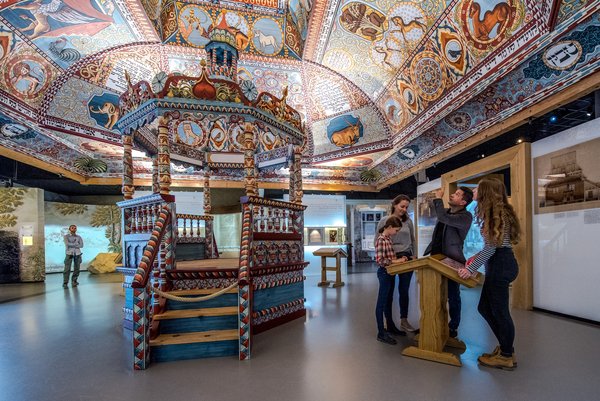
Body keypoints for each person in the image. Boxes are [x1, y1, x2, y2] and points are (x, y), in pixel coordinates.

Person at [458, 178, 521, 371]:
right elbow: (492, 246)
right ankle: (505, 348)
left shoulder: (497, 214)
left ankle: (506, 355)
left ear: (486, 192)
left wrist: (470, 269)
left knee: (500, 312)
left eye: (477, 189)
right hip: (499, 263)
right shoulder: (497, 212)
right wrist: (476, 258)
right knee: (485, 307)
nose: (474, 191)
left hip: (501, 265)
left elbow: (492, 248)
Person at [424, 186, 474, 339]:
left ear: (463, 202)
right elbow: (440, 216)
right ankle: (432, 324)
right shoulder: (447, 212)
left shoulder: (465, 217)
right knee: (434, 293)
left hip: (453, 260)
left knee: (453, 295)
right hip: (436, 258)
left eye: (457, 194)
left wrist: (438, 198)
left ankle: (453, 327)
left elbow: (443, 218)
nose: (452, 195)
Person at [376, 194, 417, 333]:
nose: (404, 209)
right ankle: (389, 322)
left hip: (406, 257)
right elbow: (378, 239)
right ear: (395, 205)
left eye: (406, 207)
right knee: (388, 291)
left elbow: (413, 239)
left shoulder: (408, 222)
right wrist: (385, 259)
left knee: (404, 290)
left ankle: (404, 320)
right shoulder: (384, 220)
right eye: (402, 206)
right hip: (391, 258)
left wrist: (414, 254)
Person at [374, 215, 407, 345]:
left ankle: (390, 327)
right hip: (384, 273)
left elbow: (389, 257)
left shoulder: (388, 239)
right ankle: (381, 333)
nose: (396, 233)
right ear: (389, 227)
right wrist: (397, 261)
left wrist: (400, 259)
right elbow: (380, 261)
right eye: (396, 230)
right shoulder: (381, 239)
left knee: (388, 301)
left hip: (390, 273)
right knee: (381, 303)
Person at [63, 224, 83, 288]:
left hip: (77, 254)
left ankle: (74, 281)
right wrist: (76, 244)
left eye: (75, 228)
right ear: (69, 229)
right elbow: (67, 244)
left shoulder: (79, 237)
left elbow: (81, 245)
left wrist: (72, 244)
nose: (74, 229)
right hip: (69, 254)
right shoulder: (66, 236)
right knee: (67, 269)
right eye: (72, 228)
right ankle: (65, 283)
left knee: (77, 269)